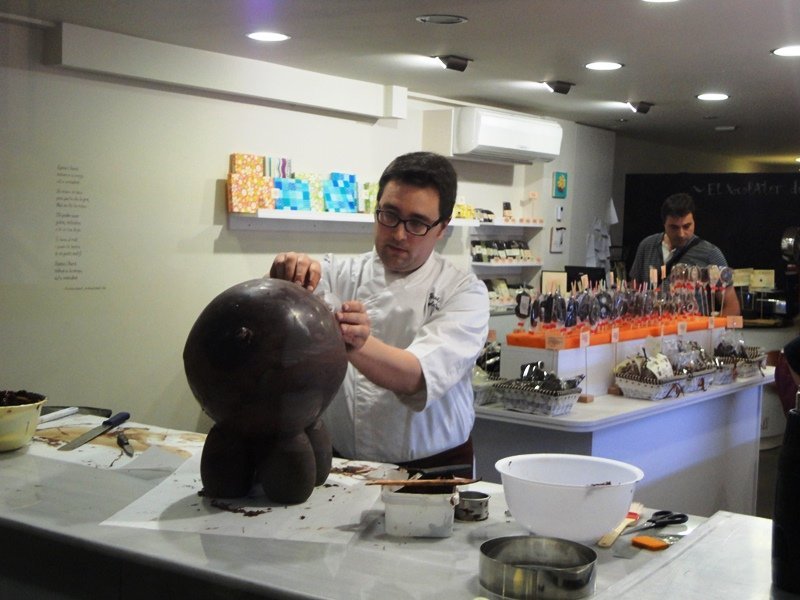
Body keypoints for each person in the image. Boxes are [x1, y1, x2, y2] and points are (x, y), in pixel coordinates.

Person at [268, 152, 490, 475]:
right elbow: (278, 318)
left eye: (417, 223)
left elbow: (415, 377)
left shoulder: (464, 291)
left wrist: (354, 342)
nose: (399, 234)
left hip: (434, 468)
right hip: (343, 464)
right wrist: (285, 276)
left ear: (442, 228)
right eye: (390, 215)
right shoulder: (339, 272)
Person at [629, 192, 741, 316]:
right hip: (650, 325)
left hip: (691, 326)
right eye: (674, 227)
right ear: (664, 224)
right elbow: (634, 293)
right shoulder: (647, 246)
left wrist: (710, 327)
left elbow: (732, 307)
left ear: (694, 222)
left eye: (687, 226)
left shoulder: (710, 254)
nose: (681, 234)